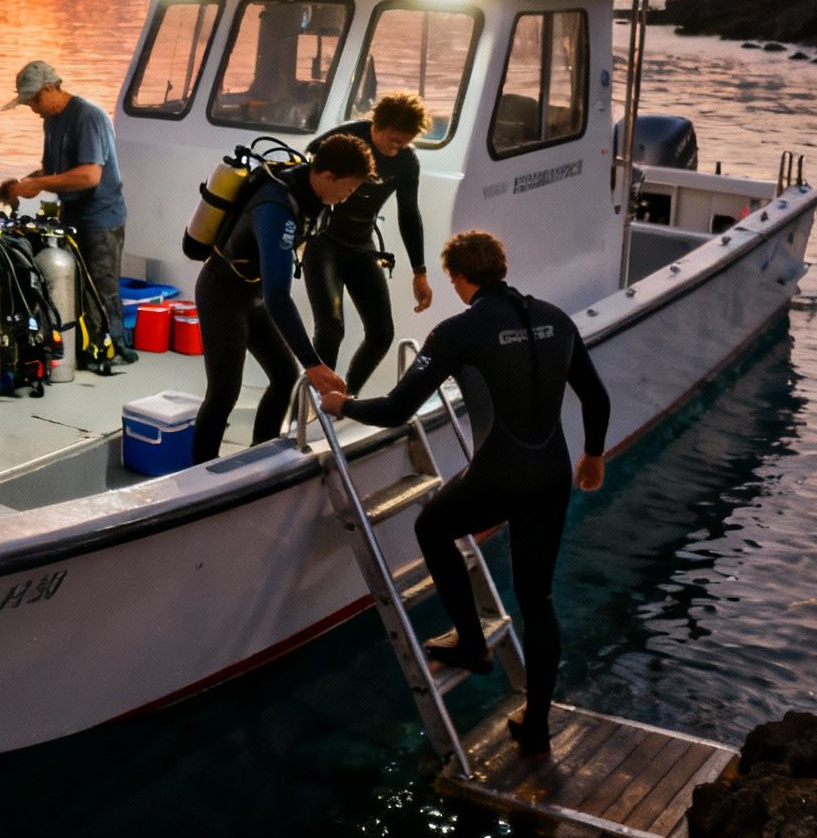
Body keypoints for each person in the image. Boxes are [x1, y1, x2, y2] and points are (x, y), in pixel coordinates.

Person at [321, 230, 608, 756]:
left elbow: (394, 411)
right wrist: (593, 454)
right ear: (502, 266)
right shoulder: (556, 318)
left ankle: (472, 644)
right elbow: (596, 396)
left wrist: (343, 405)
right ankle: (537, 724)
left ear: (459, 277)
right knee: (537, 599)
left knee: (432, 525)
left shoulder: (458, 330)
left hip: (500, 475)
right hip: (551, 476)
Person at [191, 133, 375, 466]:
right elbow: (279, 295)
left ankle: (260, 457)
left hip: (253, 294)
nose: (348, 197)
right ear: (328, 176)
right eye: (348, 188)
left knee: (284, 378)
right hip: (222, 293)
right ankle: (198, 475)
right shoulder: (277, 208)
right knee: (223, 393)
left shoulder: (310, 192)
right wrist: (314, 365)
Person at [0, 59, 135, 360]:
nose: (33, 108)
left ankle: (113, 347)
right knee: (75, 286)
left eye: (34, 100)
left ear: (50, 88)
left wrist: (41, 184)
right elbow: (52, 168)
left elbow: (89, 176)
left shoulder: (88, 117)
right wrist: (22, 185)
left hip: (102, 218)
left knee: (102, 287)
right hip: (71, 217)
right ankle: (86, 344)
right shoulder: (52, 120)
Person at [305, 94, 435, 394]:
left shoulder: (405, 162)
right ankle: (312, 404)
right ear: (377, 124)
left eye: (405, 143)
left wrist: (420, 272)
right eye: (393, 140)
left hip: (361, 244)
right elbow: (307, 165)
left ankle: (344, 399)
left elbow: (409, 214)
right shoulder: (347, 138)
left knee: (382, 334)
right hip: (324, 243)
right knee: (331, 329)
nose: (397, 148)